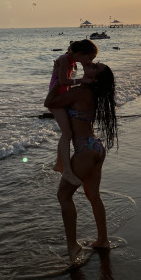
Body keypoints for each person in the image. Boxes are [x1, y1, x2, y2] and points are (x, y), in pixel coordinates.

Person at [44, 62, 118, 262]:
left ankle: (73, 245)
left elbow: (49, 101)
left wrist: (59, 78)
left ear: (95, 78)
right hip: (95, 147)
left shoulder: (80, 92)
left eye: (95, 67)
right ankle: (102, 240)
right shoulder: (93, 93)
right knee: (93, 196)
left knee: (63, 195)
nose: (91, 65)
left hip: (85, 150)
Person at [48, 39, 98, 187]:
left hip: (63, 98)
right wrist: (82, 80)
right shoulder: (65, 59)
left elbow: (66, 82)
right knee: (67, 133)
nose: (90, 62)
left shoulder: (71, 61)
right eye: (89, 58)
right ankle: (66, 170)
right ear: (81, 53)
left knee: (67, 132)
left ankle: (59, 164)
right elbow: (63, 81)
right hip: (55, 99)